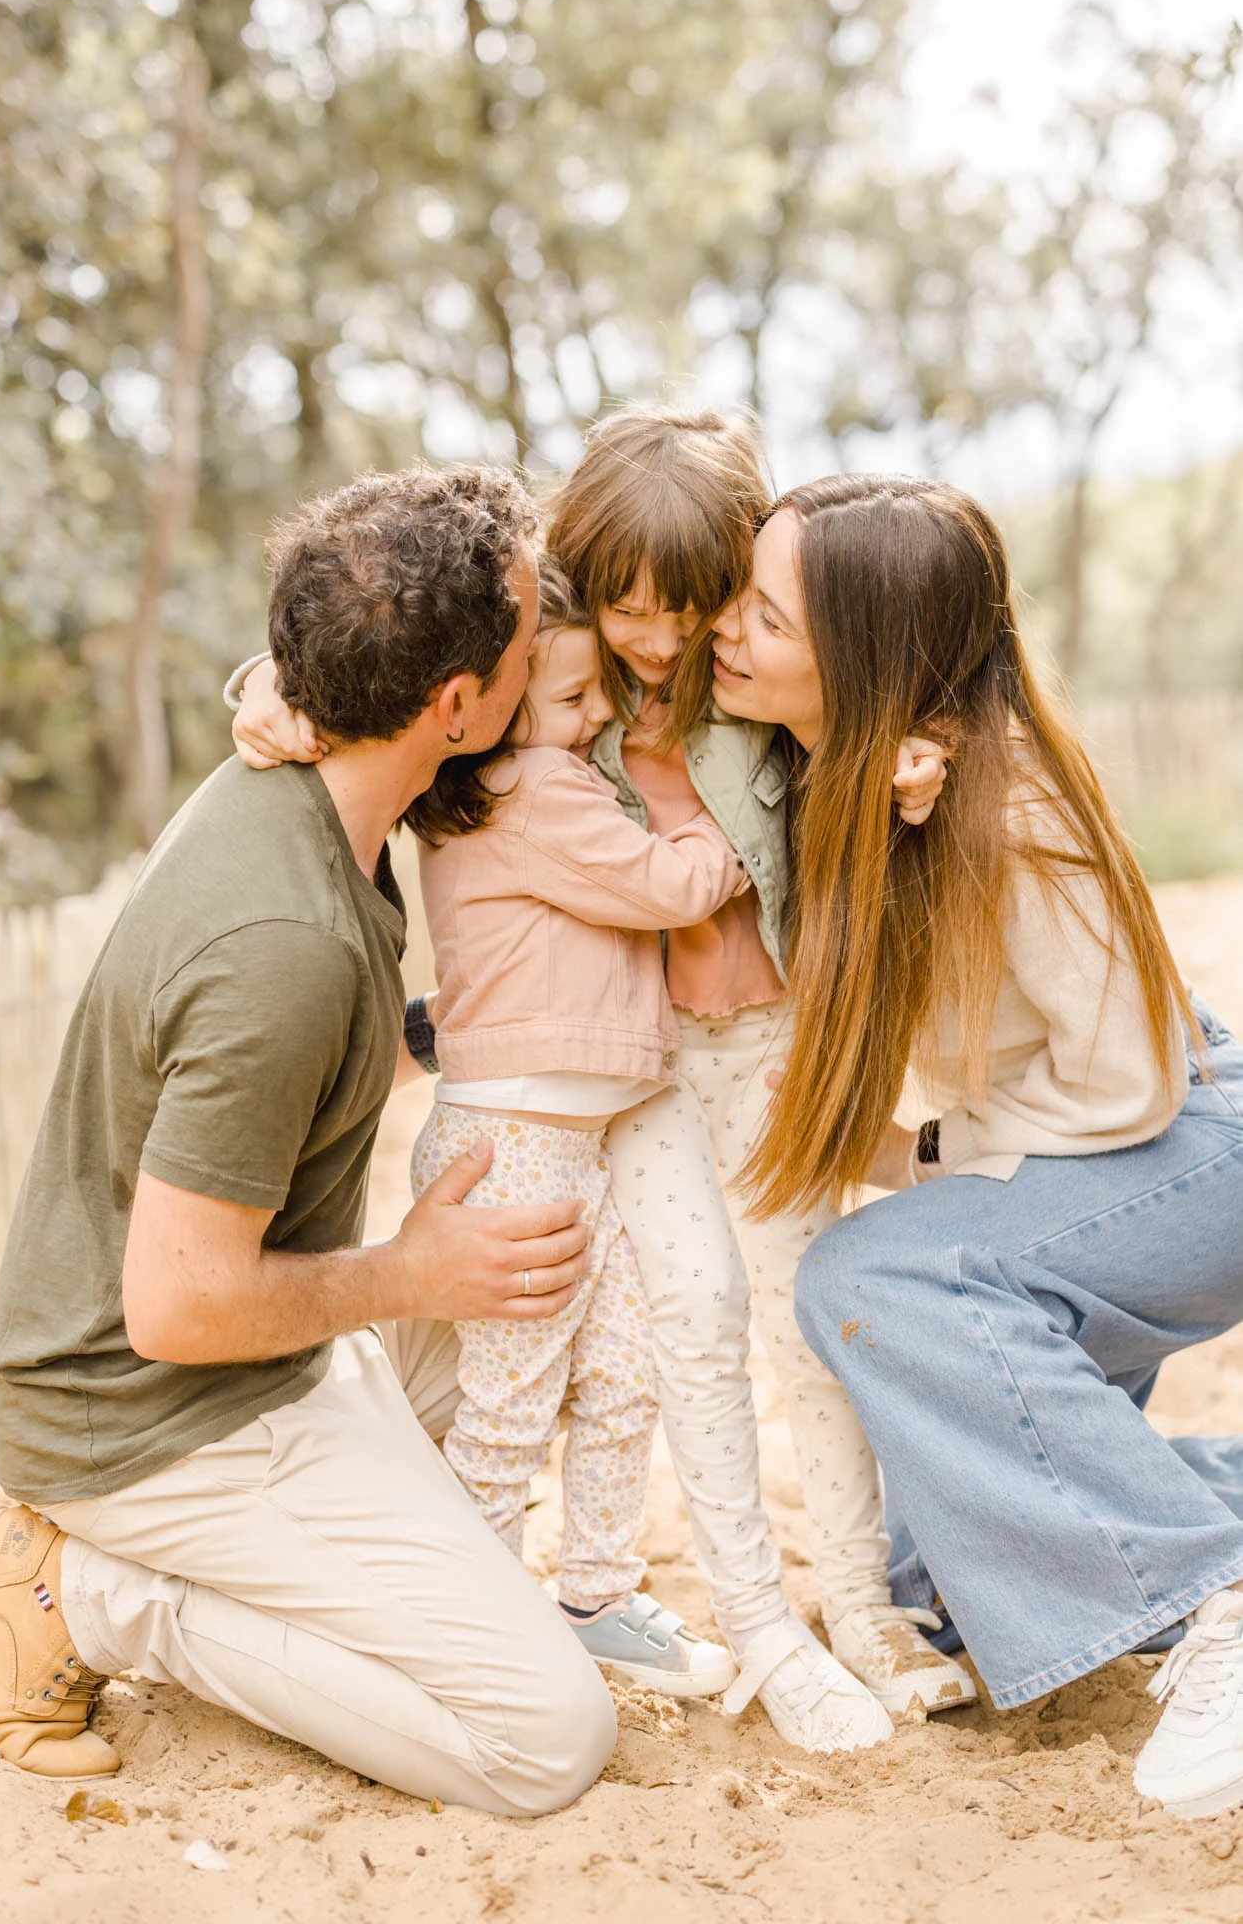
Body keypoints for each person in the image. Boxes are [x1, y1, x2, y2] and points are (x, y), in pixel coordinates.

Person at [231, 408, 965, 1749]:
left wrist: (917, 752)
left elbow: (891, 678)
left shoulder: (759, 673)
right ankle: (756, 1623)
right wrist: (269, 692)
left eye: (699, 607)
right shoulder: (555, 684)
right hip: (648, 1062)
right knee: (688, 1313)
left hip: (773, 1038)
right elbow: (383, 661)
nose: (666, 642)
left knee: (814, 1324)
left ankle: (857, 1605)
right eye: (632, 609)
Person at [0, 466, 620, 1814]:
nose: (546, 630)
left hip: (259, 1361)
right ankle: (81, 1595)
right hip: (153, 1419)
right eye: (523, 632)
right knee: (547, 1740)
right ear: (454, 704)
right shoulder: (283, 950)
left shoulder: (308, 756)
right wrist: (408, 1279)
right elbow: (178, 1305)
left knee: (504, 1301)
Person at [707, 469, 1243, 1823]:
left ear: (865, 653)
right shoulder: (843, 765)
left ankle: (1210, 1602)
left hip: (1189, 1148)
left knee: (875, 1282)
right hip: (1096, 1161)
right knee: (940, 1576)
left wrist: (929, 1156)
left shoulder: (1007, 813)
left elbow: (1129, 1085)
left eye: (764, 614)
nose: (727, 628)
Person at [408, 556, 741, 1695]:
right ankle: (472, 1622)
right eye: (569, 699)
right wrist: (737, 835)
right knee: (509, 1406)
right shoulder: (528, 787)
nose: (596, 713)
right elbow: (665, 886)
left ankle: (596, 1590)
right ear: (491, 711)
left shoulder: (528, 778)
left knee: (620, 1370)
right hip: (517, 1147)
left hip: (566, 1141)